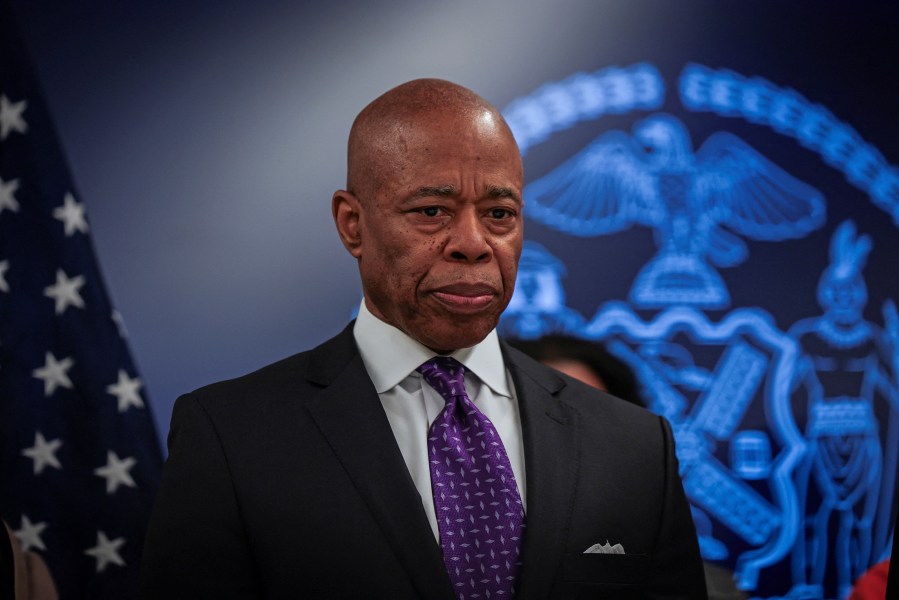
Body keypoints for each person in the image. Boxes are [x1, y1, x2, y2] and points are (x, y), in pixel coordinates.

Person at [139, 79, 706, 599]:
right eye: (432, 211)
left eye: (500, 213)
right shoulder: (231, 439)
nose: (473, 243)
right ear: (352, 224)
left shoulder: (634, 446)